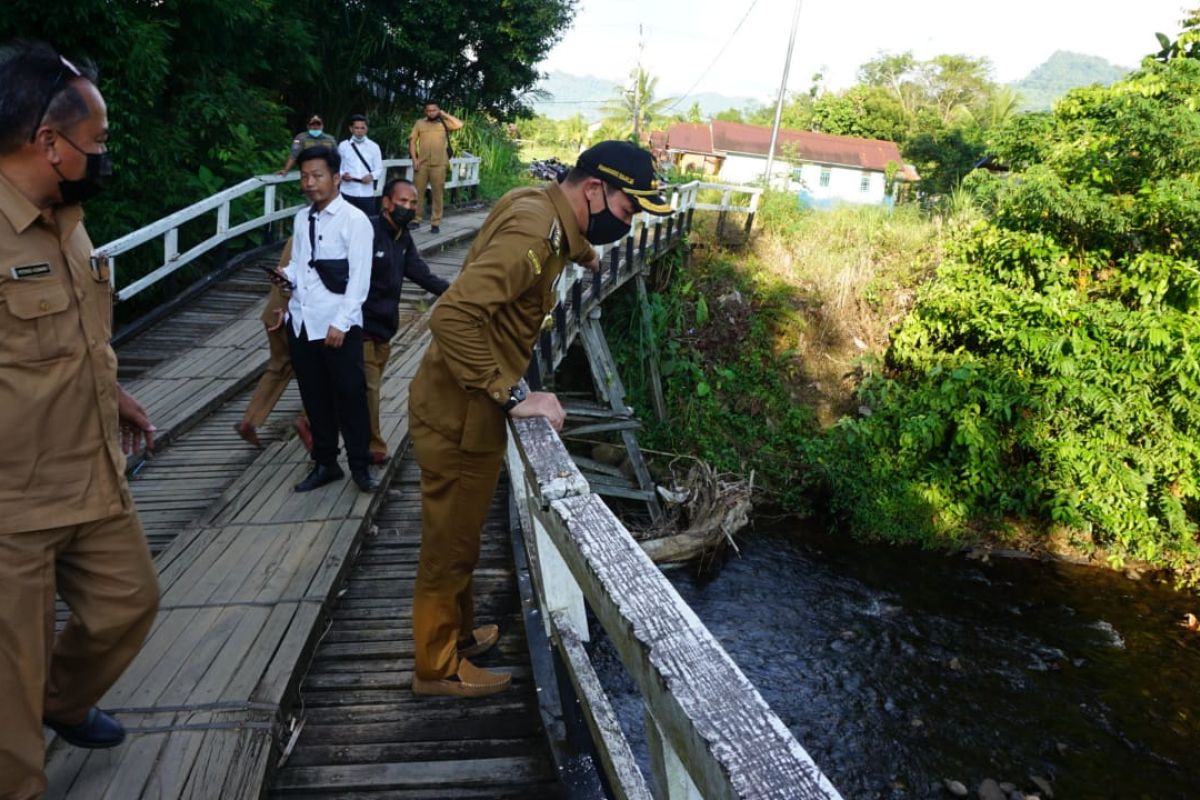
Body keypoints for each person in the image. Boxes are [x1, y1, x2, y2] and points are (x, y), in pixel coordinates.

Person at [408, 141, 671, 698]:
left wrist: (585, 254)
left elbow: (535, 259)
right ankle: (436, 667)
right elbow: (451, 315)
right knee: (448, 546)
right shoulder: (536, 232)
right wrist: (512, 394)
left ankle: (454, 636)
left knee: (463, 540)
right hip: (461, 412)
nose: (629, 224)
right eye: (627, 212)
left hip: (465, 410)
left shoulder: (541, 207)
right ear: (595, 190)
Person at [0, 41, 160, 797]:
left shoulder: (69, 220)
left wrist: (115, 392)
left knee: (130, 604)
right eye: (95, 143)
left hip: (93, 468)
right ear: (48, 143)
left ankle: (61, 701)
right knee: (7, 694)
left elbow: (73, 335)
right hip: (14, 504)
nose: (104, 155)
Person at [273, 146, 377, 493]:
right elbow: (301, 264)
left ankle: (361, 466)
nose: (309, 183)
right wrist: (285, 275)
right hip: (303, 321)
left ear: (336, 178)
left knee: (350, 396)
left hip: (337, 325)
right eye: (304, 176)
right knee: (314, 396)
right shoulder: (303, 219)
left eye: (317, 176)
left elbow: (360, 279)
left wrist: (342, 323)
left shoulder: (355, 221)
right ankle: (326, 463)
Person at [363, 178, 450, 463]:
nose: (408, 208)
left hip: (385, 326)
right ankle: (373, 446)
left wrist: (458, 292)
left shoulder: (403, 237)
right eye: (402, 202)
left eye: (413, 203)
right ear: (386, 202)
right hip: (359, 326)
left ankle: (310, 421)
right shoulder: (367, 231)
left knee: (354, 386)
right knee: (370, 389)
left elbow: (421, 274)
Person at [234, 238, 313, 450]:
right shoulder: (314, 235)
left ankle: (250, 420)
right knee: (320, 370)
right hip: (289, 314)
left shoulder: (296, 235)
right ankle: (308, 420)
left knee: (279, 366)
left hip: (273, 312)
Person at [408, 102, 462, 234]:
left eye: (434, 110)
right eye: (428, 110)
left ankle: (435, 223)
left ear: (438, 110)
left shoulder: (444, 123)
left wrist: (443, 114)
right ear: (425, 112)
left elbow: (459, 124)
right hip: (422, 164)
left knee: (438, 194)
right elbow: (412, 141)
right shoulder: (419, 123)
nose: (431, 112)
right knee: (417, 193)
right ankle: (416, 220)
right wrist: (414, 159)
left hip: (439, 164)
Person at [337, 114, 383, 218]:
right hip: (347, 191)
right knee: (345, 221)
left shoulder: (374, 146)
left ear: (366, 129)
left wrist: (371, 176)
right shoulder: (343, 145)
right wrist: (342, 175)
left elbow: (379, 168)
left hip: (366, 193)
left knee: (368, 222)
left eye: (362, 128)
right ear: (351, 129)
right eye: (356, 128)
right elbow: (337, 166)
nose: (359, 131)